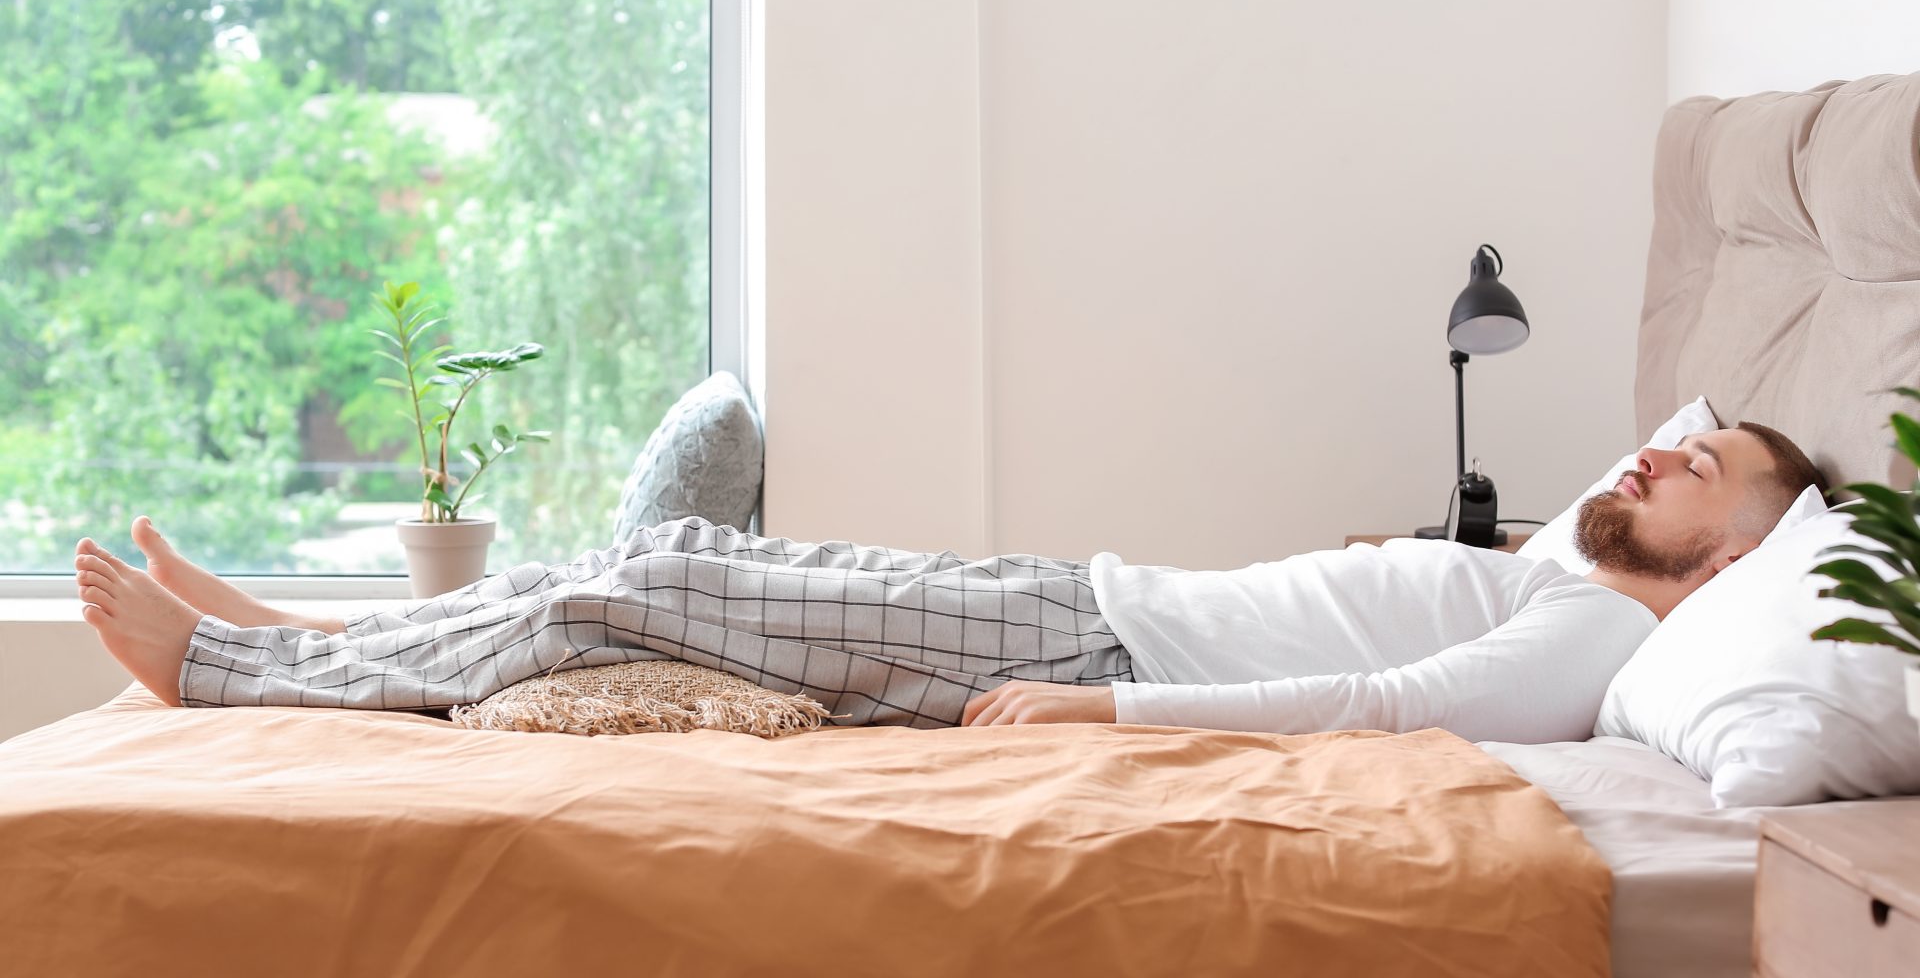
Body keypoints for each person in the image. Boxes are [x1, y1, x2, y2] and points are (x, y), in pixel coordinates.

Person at [73, 422, 1825, 743]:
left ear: (1738, 557)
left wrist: (1101, 706)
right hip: (1074, 583)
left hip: (1082, 639)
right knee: (669, 559)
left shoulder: (1598, 639)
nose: (1655, 458)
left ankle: (237, 676)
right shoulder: (1572, 563)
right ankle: (305, 636)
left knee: (627, 603)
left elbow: (1372, 709)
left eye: (1700, 472)